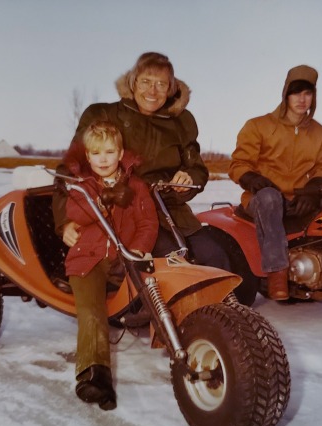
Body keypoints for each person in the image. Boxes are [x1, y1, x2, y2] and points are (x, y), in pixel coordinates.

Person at [53, 51, 230, 271]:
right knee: (171, 266)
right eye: (145, 81)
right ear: (133, 82)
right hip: (124, 212)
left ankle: (217, 307)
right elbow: (68, 172)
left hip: (171, 211)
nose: (152, 91)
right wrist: (65, 222)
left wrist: (187, 179)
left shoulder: (181, 122)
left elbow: (197, 169)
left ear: (171, 88)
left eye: (161, 84)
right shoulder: (103, 115)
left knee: (215, 258)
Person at [63, 120, 159, 410]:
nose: (102, 159)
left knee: (158, 287)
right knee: (92, 312)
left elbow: (148, 224)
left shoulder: (138, 187)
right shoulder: (82, 187)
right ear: (88, 158)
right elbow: (76, 212)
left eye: (108, 151)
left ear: (120, 154)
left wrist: (137, 251)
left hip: (124, 259)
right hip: (87, 261)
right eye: (95, 153)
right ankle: (95, 376)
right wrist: (105, 198)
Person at [228, 64, 322, 300]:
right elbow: (238, 164)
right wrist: (253, 179)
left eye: (307, 93)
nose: (301, 99)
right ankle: (277, 271)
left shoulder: (320, 133)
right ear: (285, 94)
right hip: (261, 198)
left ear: (313, 97)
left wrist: (312, 189)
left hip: (297, 199)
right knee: (269, 198)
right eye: (296, 92)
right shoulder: (258, 125)